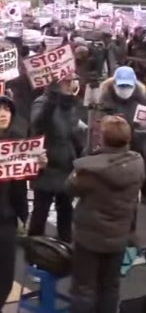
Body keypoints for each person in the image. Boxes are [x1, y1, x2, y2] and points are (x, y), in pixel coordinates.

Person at [67, 116, 145, 313]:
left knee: (84, 289)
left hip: (90, 237)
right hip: (119, 235)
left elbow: (70, 187)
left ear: (102, 139)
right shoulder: (137, 163)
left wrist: (90, 153)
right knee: (110, 286)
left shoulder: (90, 169)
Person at [0, 95, 36, 313]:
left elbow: (20, 182)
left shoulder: (16, 140)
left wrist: (38, 166)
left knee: (3, 279)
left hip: (6, 221)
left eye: (7, 109)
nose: (3, 114)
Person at [29, 76, 81, 242]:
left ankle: (64, 250)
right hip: (47, 166)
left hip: (66, 166)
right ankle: (34, 251)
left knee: (66, 213)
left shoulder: (71, 105)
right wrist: (52, 98)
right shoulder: (42, 102)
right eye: (65, 82)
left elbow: (72, 134)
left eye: (71, 81)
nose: (70, 84)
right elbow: (38, 125)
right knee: (40, 213)